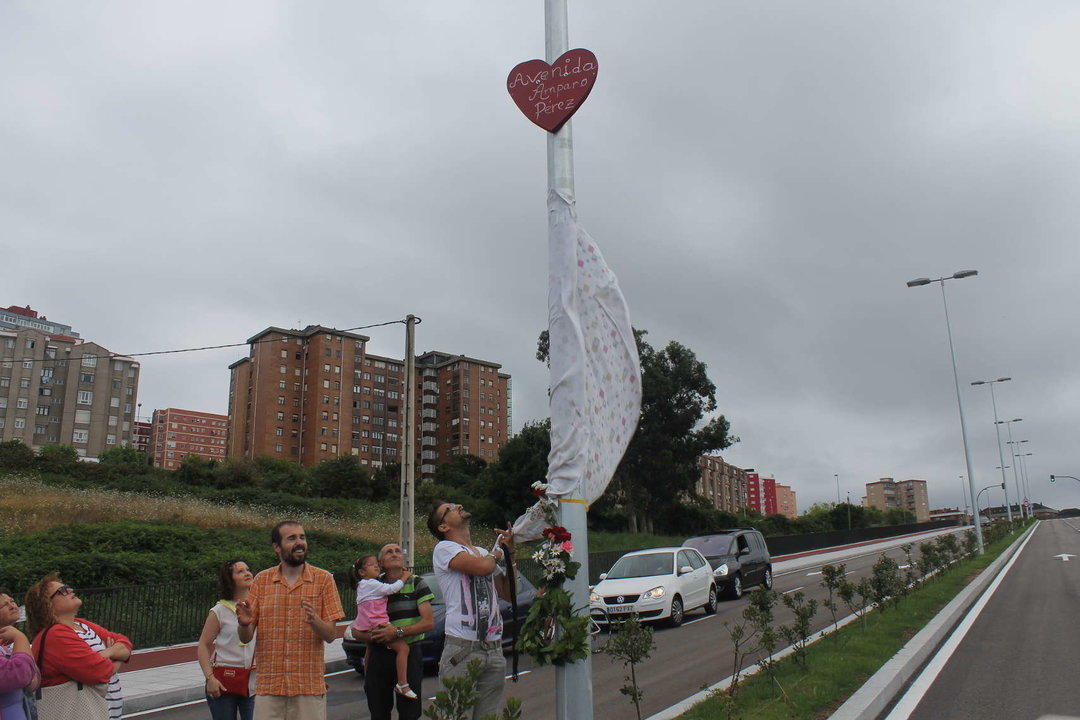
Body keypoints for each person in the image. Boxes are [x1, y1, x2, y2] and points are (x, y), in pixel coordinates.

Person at [236, 521, 344, 720]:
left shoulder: (324, 580)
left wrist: (314, 621)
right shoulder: (261, 580)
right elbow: (245, 637)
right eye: (292, 538)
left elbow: (330, 635)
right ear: (276, 547)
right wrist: (244, 624)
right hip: (269, 688)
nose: (299, 543)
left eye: (302, 537)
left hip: (308, 688)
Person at [427, 502, 515, 720]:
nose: (459, 505)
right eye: (450, 508)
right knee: (456, 715)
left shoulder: (484, 553)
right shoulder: (444, 549)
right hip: (463, 649)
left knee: (487, 716)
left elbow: (508, 592)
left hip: (493, 647)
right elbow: (482, 568)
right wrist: (497, 554)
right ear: (443, 527)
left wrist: (510, 553)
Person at [24, 574, 132, 720]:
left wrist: (105, 654)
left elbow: (125, 644)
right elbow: (99, 672)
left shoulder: (82, 624)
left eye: (67, 587)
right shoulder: (56, 634)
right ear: (46, 605)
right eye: (62, 591)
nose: (70, 590)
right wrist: (117, 657)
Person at [346, 543, 434, 720]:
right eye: (389, 552)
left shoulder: (417, 583)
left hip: (409, 654)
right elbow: (358, 627)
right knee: (378, 710)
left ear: (403, 559)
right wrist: (373, 636)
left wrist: (398, 632)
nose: (394, 554)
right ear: (381, 562)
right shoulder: (374, 585)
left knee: (409, 712)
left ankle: (403, 685)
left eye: (398, 551)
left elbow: (428, 623)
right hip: (380, 654)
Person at [197, 560, 257, 720]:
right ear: (229, 579)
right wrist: (210, 678)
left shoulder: (258, 607)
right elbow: (203, 645)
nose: (247, 573)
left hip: (254, 682)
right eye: (240, 571)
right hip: (223, 681)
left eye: (248, 569)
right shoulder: (219, 610)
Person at [350, 555, 415, 700]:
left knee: (370, 648)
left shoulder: (363, 585)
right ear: (361, 572)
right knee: (403, 648)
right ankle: (403, 684)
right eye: (371, 564)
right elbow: (393, 588)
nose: (376, 566)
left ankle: (368, 679)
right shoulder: (372, 584)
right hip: (378, 624)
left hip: (366, 625)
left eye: (376, 564)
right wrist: (404, 576)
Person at [0, 588, 38, 720]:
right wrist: (20, 638)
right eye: (4, 605)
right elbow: (21, 674)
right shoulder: (17, 639)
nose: (12, 606)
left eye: (12, 601)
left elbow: (34, 679)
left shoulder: (8, 646)